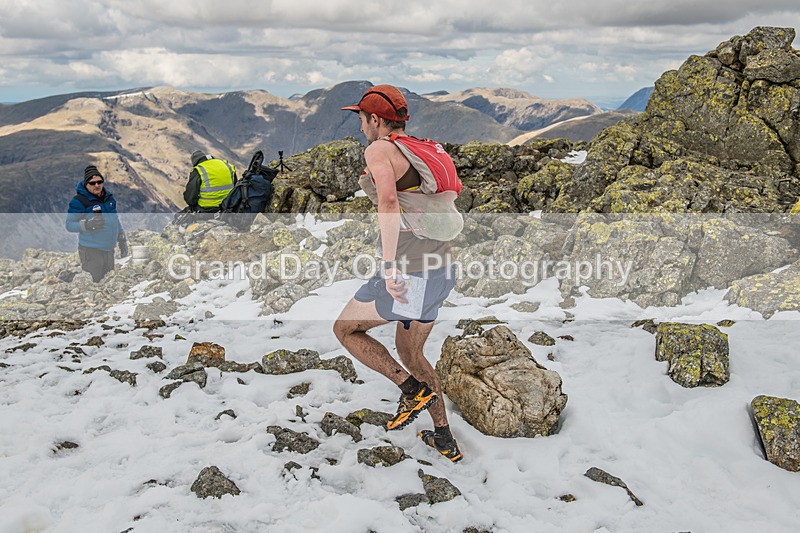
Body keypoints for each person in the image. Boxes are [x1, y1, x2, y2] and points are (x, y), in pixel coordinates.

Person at [333, 84, 462, 462]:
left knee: (345, 329)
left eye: (361, 119)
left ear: (375, 119)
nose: (360, 128)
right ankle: (444, 438)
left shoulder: (380, 149)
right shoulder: (423, 149)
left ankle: (411, 390)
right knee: (413, 353)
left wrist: (390, 268)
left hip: (410, 269)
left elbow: (388, 202)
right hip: (442, 267)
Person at [65, 165, 128, 282]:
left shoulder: (108, 198)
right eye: (92, 183)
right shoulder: (79, 201)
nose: (97, 185)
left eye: (99, 182)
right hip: (91, 251)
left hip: (109, 250)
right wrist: (87, 225)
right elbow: (69, 225)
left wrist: (121, 237)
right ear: (86, 184)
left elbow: (114, 219)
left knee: (108, 283)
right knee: (94, 284)